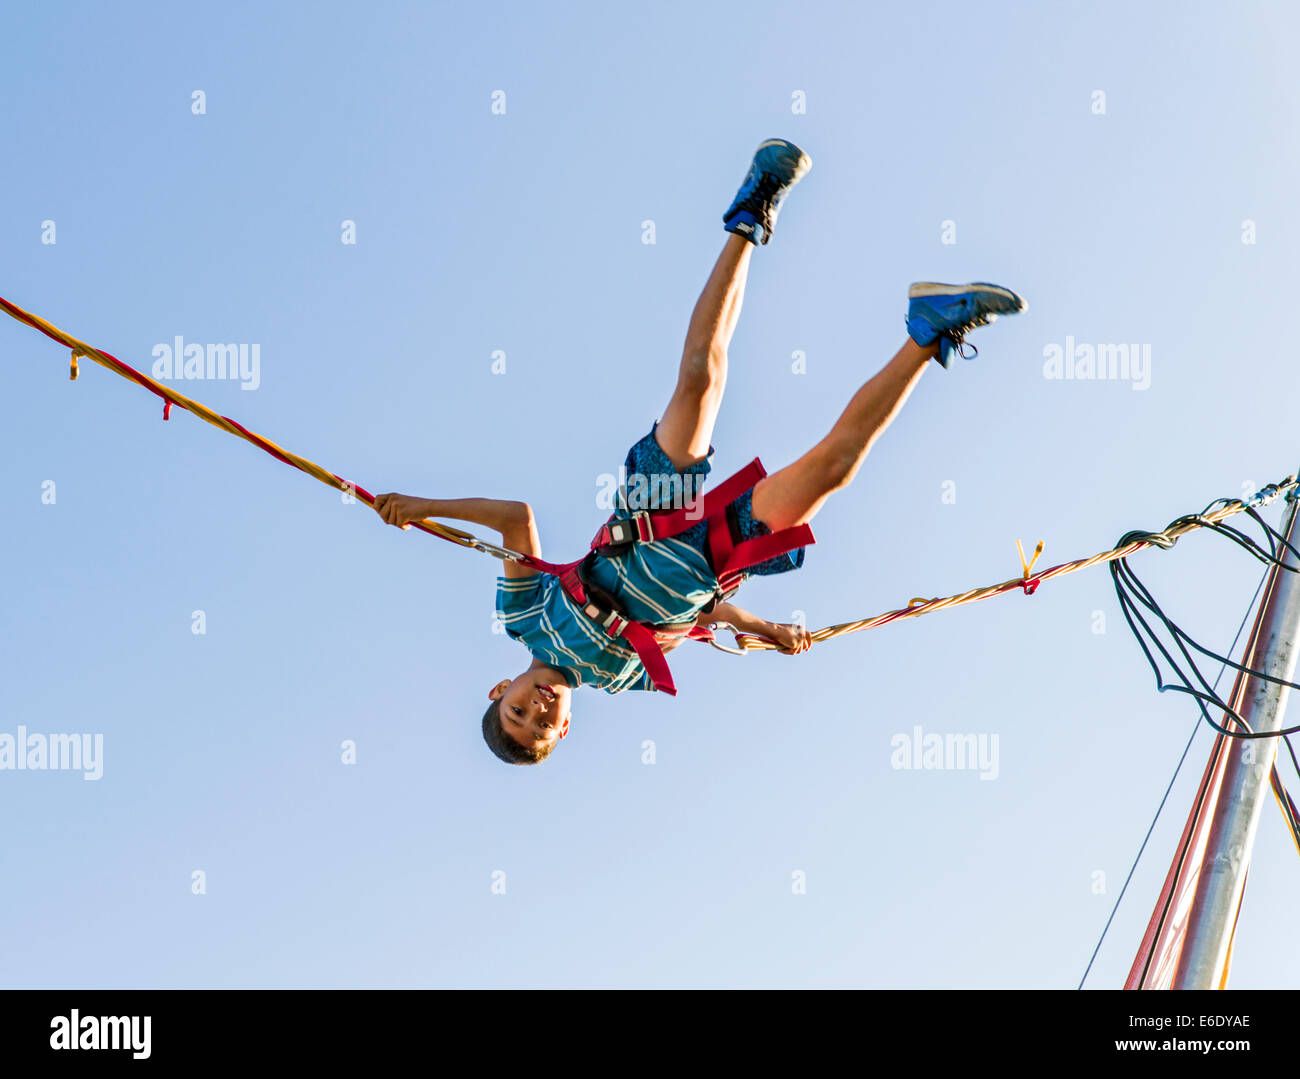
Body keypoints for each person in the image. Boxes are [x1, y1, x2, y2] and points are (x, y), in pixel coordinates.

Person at [373, 139, 1026, 765]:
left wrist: (419, 504)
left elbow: (516, 516)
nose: (535, 711)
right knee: (835, 467)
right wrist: (766, 628)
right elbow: (700, 612)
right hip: (715, 555)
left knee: (699, 377)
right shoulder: (626, 677)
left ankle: (751, 213)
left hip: (654, 513)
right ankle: (929, 330)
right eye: (543, 727)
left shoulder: (521, 618)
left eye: (517, 712)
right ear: (564, 728)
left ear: (500, 690)